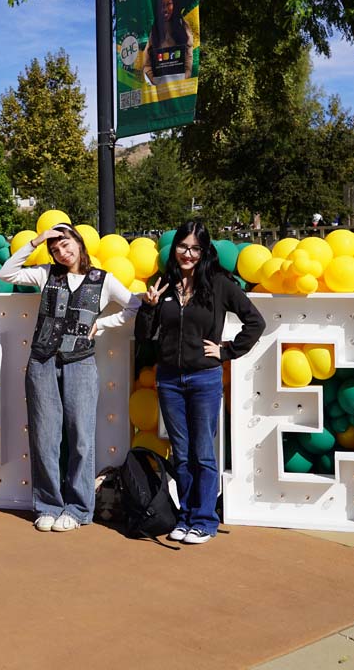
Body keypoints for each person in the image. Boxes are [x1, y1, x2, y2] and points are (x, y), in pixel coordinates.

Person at [0, 223, 141, 532]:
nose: (62, 252)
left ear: (78, 241)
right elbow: (6, 273)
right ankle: (47, 504)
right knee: (44, 437)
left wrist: (102, 325)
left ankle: (78, 508)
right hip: (42, 362)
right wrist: (37, 240)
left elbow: (134, 305)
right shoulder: (46, 274)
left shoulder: (103, 280)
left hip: (81, 363)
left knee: (81, 438)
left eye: (66, 245)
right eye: (55, 249)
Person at [135, 220, 265, 545]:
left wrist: (226, 350)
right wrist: (148, 308)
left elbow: (255, 321)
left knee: (203, 452)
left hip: (204, 378)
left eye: (195, 248)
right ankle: (186, 516)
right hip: (169, 380)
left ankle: (205, 520)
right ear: (175, 248)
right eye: (183, 246)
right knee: (181, 451)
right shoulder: (164, 283)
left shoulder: (219, 284)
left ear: (204, 251)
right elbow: (145, 335)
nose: (188, 254)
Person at [143, 0, 195, 84]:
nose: (165, 9)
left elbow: (189, 55)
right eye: (162, 6)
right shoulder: (154, 31)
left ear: (174, 5)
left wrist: (185, 76)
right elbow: (146, 62)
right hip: (161, 89)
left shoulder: (183, 25)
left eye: (169, 4)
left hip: (179, 86)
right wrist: (154, 80)